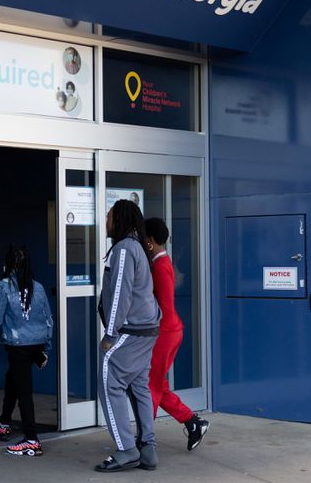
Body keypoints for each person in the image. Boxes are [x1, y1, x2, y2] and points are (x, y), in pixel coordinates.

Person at [95, 199, 161, 472]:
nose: (106, 221)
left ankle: (126, 450)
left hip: (130, 331)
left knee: (110, 386)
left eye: (109, 216)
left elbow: (121, 294)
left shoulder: (123, 250)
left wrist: (110, 334)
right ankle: (148, 449)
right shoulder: (136, 248)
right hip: (147, 330)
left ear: (119, 219)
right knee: (140, 387)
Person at [0, 245, 54, 457]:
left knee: (23, 391)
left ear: (8, 263)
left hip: (18, 345)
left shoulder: (4, 287)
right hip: (37, 343)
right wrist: (46, 347)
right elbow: (48, 319)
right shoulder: (37, 286)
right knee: (12, 378)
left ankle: (31, 439)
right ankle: (4, 421)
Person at [144, 217, 210, 451]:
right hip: (170, 331)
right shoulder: (162, 262)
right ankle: (193, 423)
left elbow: (162, 306)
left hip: (165, 333)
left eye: (143, 238)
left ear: (150, 241)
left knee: (149, 385)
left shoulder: (160, 266)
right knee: (158, 385)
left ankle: (145, 441)